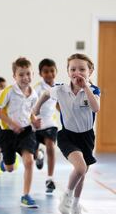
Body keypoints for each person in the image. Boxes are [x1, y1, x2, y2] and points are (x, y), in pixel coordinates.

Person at [33, 54, 100, 214]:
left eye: (82, 69)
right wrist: (36, 110)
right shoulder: (60, 89)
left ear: (90, 71)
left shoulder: (93, 90)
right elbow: (45, 94)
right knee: (81, 168)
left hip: (87, 137)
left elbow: (96, 108)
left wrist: (85, 88)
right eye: (73, 69)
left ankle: (75, 204)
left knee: (82, 173)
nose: (78, 72)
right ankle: (66, 198)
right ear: (68, 71)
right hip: (67, 136)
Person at [0, 57, 41, 208]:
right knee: (10, 168)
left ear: (32, 74)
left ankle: (26, 196)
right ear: (14, 76)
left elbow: (30, 112)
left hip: (26, 132)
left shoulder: (34, 95)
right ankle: (6, 162)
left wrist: (34, 120)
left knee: (29, 161)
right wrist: (12, 124)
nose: (25, 78)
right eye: (21, 74)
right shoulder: (8, 91)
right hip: (7, 133)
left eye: (28, 74)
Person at [33, 58, 59, 194]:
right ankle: (39, 156)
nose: (49, 74)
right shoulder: (37, 88)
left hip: (50, 124)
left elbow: (60, 104)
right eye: (45, 71)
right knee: (33, 153)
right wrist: (32, 119)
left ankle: (50, 178)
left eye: (51, 71)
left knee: (51, 146)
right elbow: (30, 105)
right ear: (40, 73)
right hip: (36, 124)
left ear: (56, 72)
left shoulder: (58, 88)